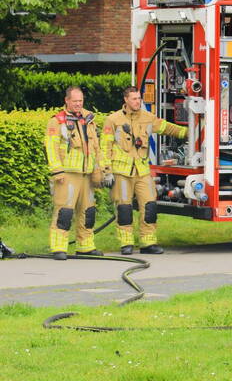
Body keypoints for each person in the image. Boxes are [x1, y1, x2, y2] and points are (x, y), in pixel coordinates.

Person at [100, 86, 187, 255]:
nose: (137, 101)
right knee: (124, 209)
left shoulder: (148, 118)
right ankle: (126, 244)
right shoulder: (113, 120)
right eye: (133, 99)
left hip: (142, 171)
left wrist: (191, 132)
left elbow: (168, 128)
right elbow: (105, 147)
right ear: (125, 100)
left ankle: (148, 243)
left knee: (150, 206)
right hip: (121, 172)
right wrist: (106, 171)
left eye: (139, 98)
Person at [44, 86, 103, 259]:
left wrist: (99, 170)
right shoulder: (57, 122)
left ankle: (85, 246)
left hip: (87, 174)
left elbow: (96, 147)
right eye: (75, 101)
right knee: (64, 212)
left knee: (88, 212)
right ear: (67, 101)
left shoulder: (89, 119)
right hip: (67, 175)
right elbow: (51, 147)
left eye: (81, 101)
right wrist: (57, 171)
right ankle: (59, 248)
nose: (78, 104)